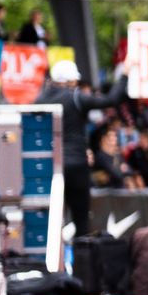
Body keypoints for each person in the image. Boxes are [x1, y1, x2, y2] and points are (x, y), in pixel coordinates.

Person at [34, 59, 111, 241]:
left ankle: (49, 265)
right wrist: (125, 75)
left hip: (48, 165)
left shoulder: (41, 99)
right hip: (76, 165)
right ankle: (82, 264)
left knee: (50, 219)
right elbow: (110, 100)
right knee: (81, 221)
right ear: (70, 81)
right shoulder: (76, 97)